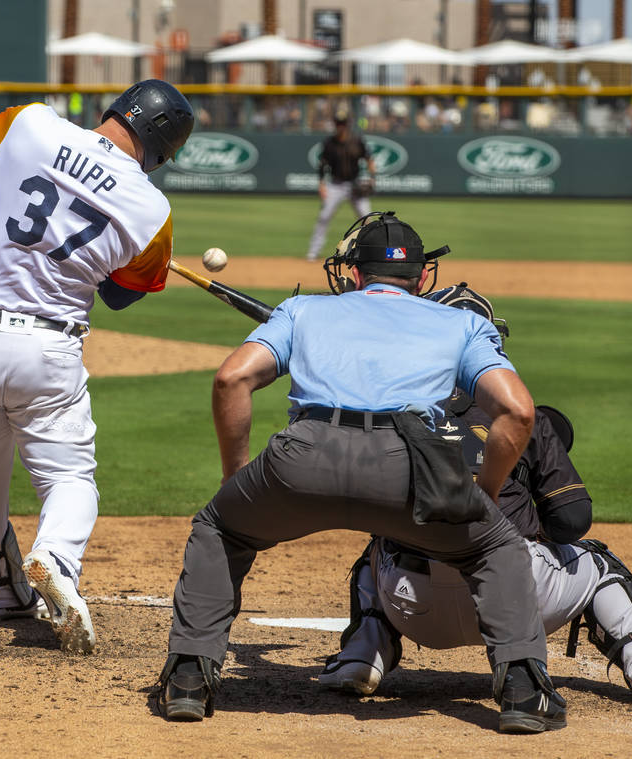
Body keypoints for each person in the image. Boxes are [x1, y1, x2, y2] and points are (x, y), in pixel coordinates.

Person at [157, 212, 567, 734]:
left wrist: (236, 481)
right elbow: (519, 412)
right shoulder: (462, 323)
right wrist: (482, 497)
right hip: (411, 469)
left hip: (302, 458)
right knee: (496, 547)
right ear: (422, 280)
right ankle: (524, 691)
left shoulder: (302, 310)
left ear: (353, 274)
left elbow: (231, 379)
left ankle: (189, 678)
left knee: (220, 528)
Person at [320, 283, 632, 709]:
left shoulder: (386, 414)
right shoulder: (520, 416)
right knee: (601, 564)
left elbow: (365, 506)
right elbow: (572, 520)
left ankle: (360, 658)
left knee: (377, 547)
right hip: (517, 599)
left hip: (413, 604)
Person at [0, 80, 194, 654]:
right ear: (161, 148)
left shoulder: (30, 122)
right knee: (70, 478)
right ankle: (54, 556)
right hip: (48, 349)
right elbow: (121, 295)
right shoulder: (152, 210)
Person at [305, 112, 375, 261]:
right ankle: (313, 252)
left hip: (355, 184)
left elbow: (369, 159)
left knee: (367, 219)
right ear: (335, 124)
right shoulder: (329, 143)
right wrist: (322, 184)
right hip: (335, 185)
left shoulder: (357, 141)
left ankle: (374, 252)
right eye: (338, 123)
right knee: (324, 217)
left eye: (343, 123)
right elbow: (322, 165)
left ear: (348, 124)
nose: (341, 126)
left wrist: (372, 177)